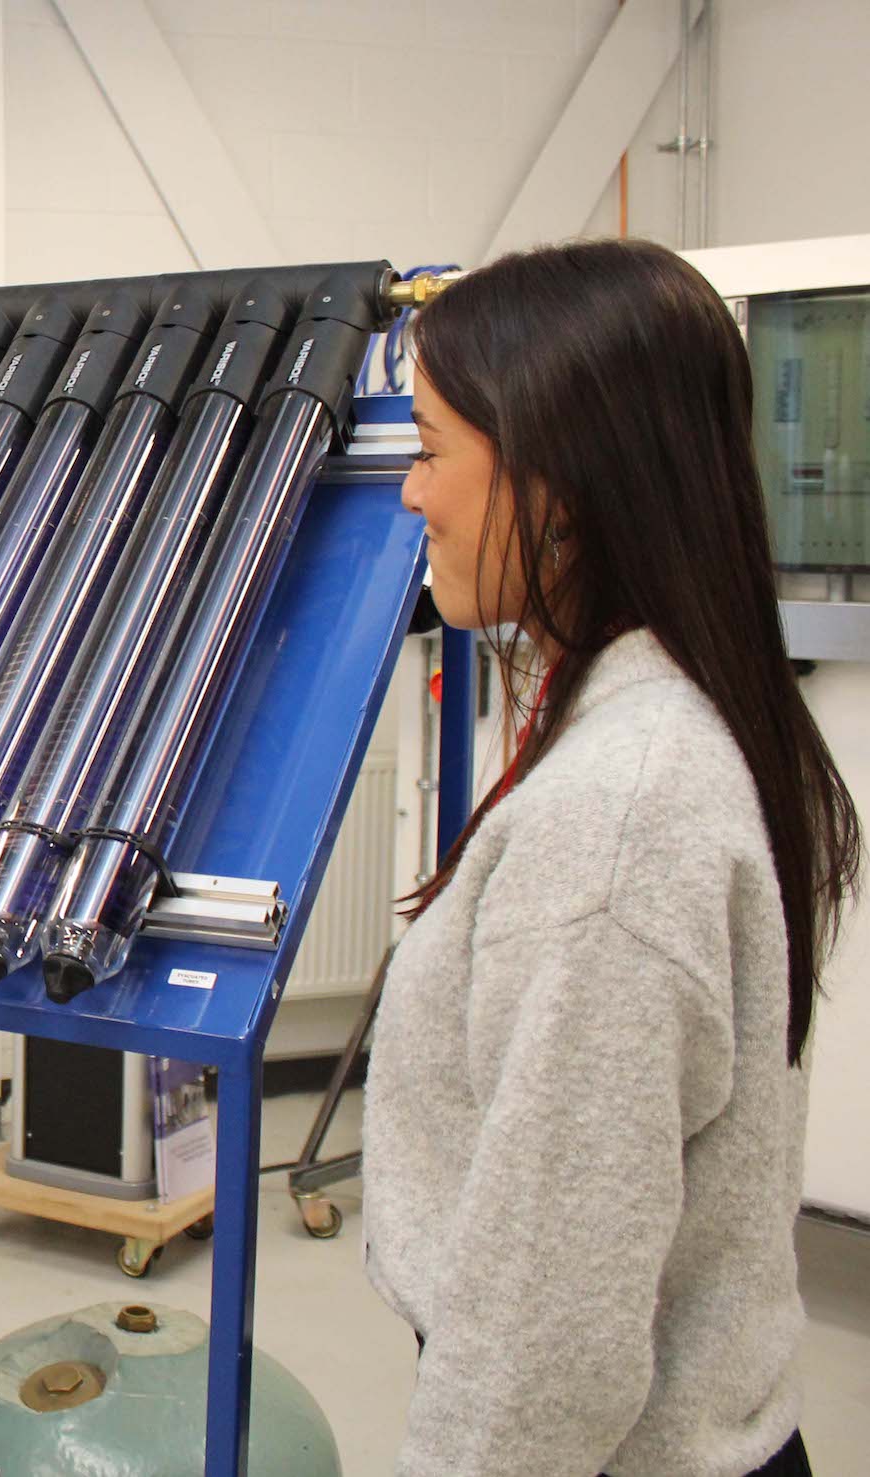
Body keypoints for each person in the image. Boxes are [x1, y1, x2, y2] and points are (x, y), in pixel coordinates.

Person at [361, 237, 857, 1476]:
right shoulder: (673, 718)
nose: (411, 494)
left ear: (561, 485)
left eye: (430, 449)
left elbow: (547, 1344)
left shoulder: (619, 820)